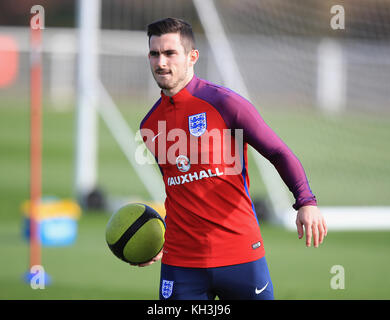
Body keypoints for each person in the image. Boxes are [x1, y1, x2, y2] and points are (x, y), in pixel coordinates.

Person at [137, 17, 327, 300]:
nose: (161, 62)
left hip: (240, 255)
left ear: (192, 57)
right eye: (154, 53)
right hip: (181, 263)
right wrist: (156, 241)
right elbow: (176, 189)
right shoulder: (149, 125)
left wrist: (306, 202)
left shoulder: (226, 104)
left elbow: (278, 152)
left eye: (170, 53)